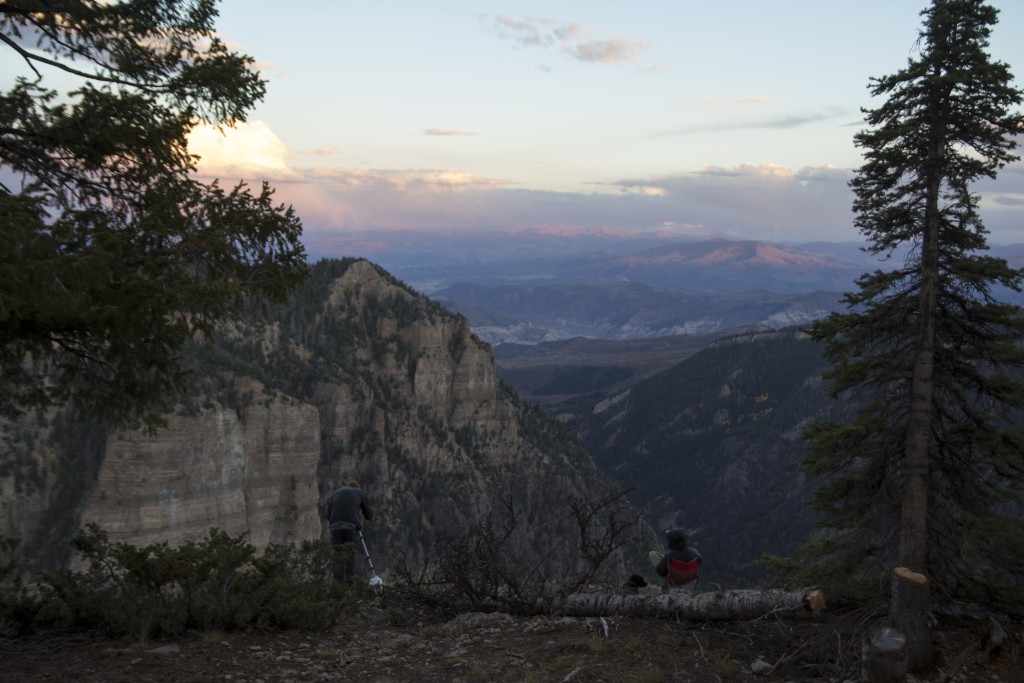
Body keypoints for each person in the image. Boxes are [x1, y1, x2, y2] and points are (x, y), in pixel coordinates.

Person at [325, 479, 374, 582]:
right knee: (350, 554)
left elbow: (328, 515)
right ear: (357, 487)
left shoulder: (335, 493)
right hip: (350, 527)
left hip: (335, 527)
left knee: (337, 555)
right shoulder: (359, 492)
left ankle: (337, 585)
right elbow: (369, 514)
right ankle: (349, 583)